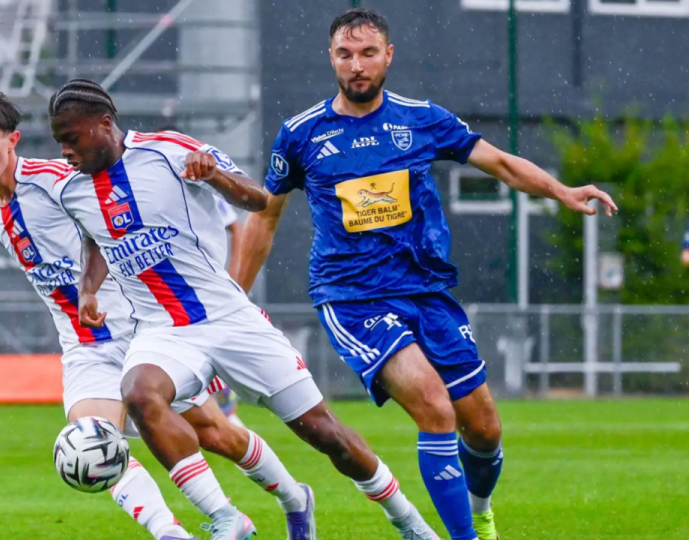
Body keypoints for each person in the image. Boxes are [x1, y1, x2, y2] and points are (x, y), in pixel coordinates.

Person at [230, 9, 618, 540]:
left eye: (368, 53)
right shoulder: (300, 134)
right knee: (435, 408)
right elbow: (264, 218)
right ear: (332, 58)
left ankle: (480, 513)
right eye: (345, 54)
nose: (357, 65)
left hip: (427, 291)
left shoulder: (421, 119)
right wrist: (232, 300)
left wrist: (562, 191)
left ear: (388, 56)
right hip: (353, 298)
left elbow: (501, 164)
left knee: (484, 429)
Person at [47, 78, 439, 540]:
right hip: (162, 329)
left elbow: (258, 199)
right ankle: (224, 515)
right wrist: (88, 290)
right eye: (59, 141)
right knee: (139, 393)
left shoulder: (168, 151)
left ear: (103, 123)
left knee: (323, 432)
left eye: (71, 138)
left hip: (229, 318)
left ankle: (408, 522)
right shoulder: (73, 191)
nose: (65, 151)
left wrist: (213, 173)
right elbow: (94, 238)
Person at [0, 90, 318, 540]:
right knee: (93, 443)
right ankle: (180, 530)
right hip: (85, 347)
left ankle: (295, 499)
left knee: (216, 433)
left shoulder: (56, 180)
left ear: (13, 140)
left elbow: (111, 217)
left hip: (139, 331)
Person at [154, 122, 247, 428]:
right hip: (172, 291)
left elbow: (236, 226)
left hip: (210, 286)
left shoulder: (198, 179)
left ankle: (227, 413)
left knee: (219, 348)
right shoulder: (152, 189)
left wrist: (236, 276)